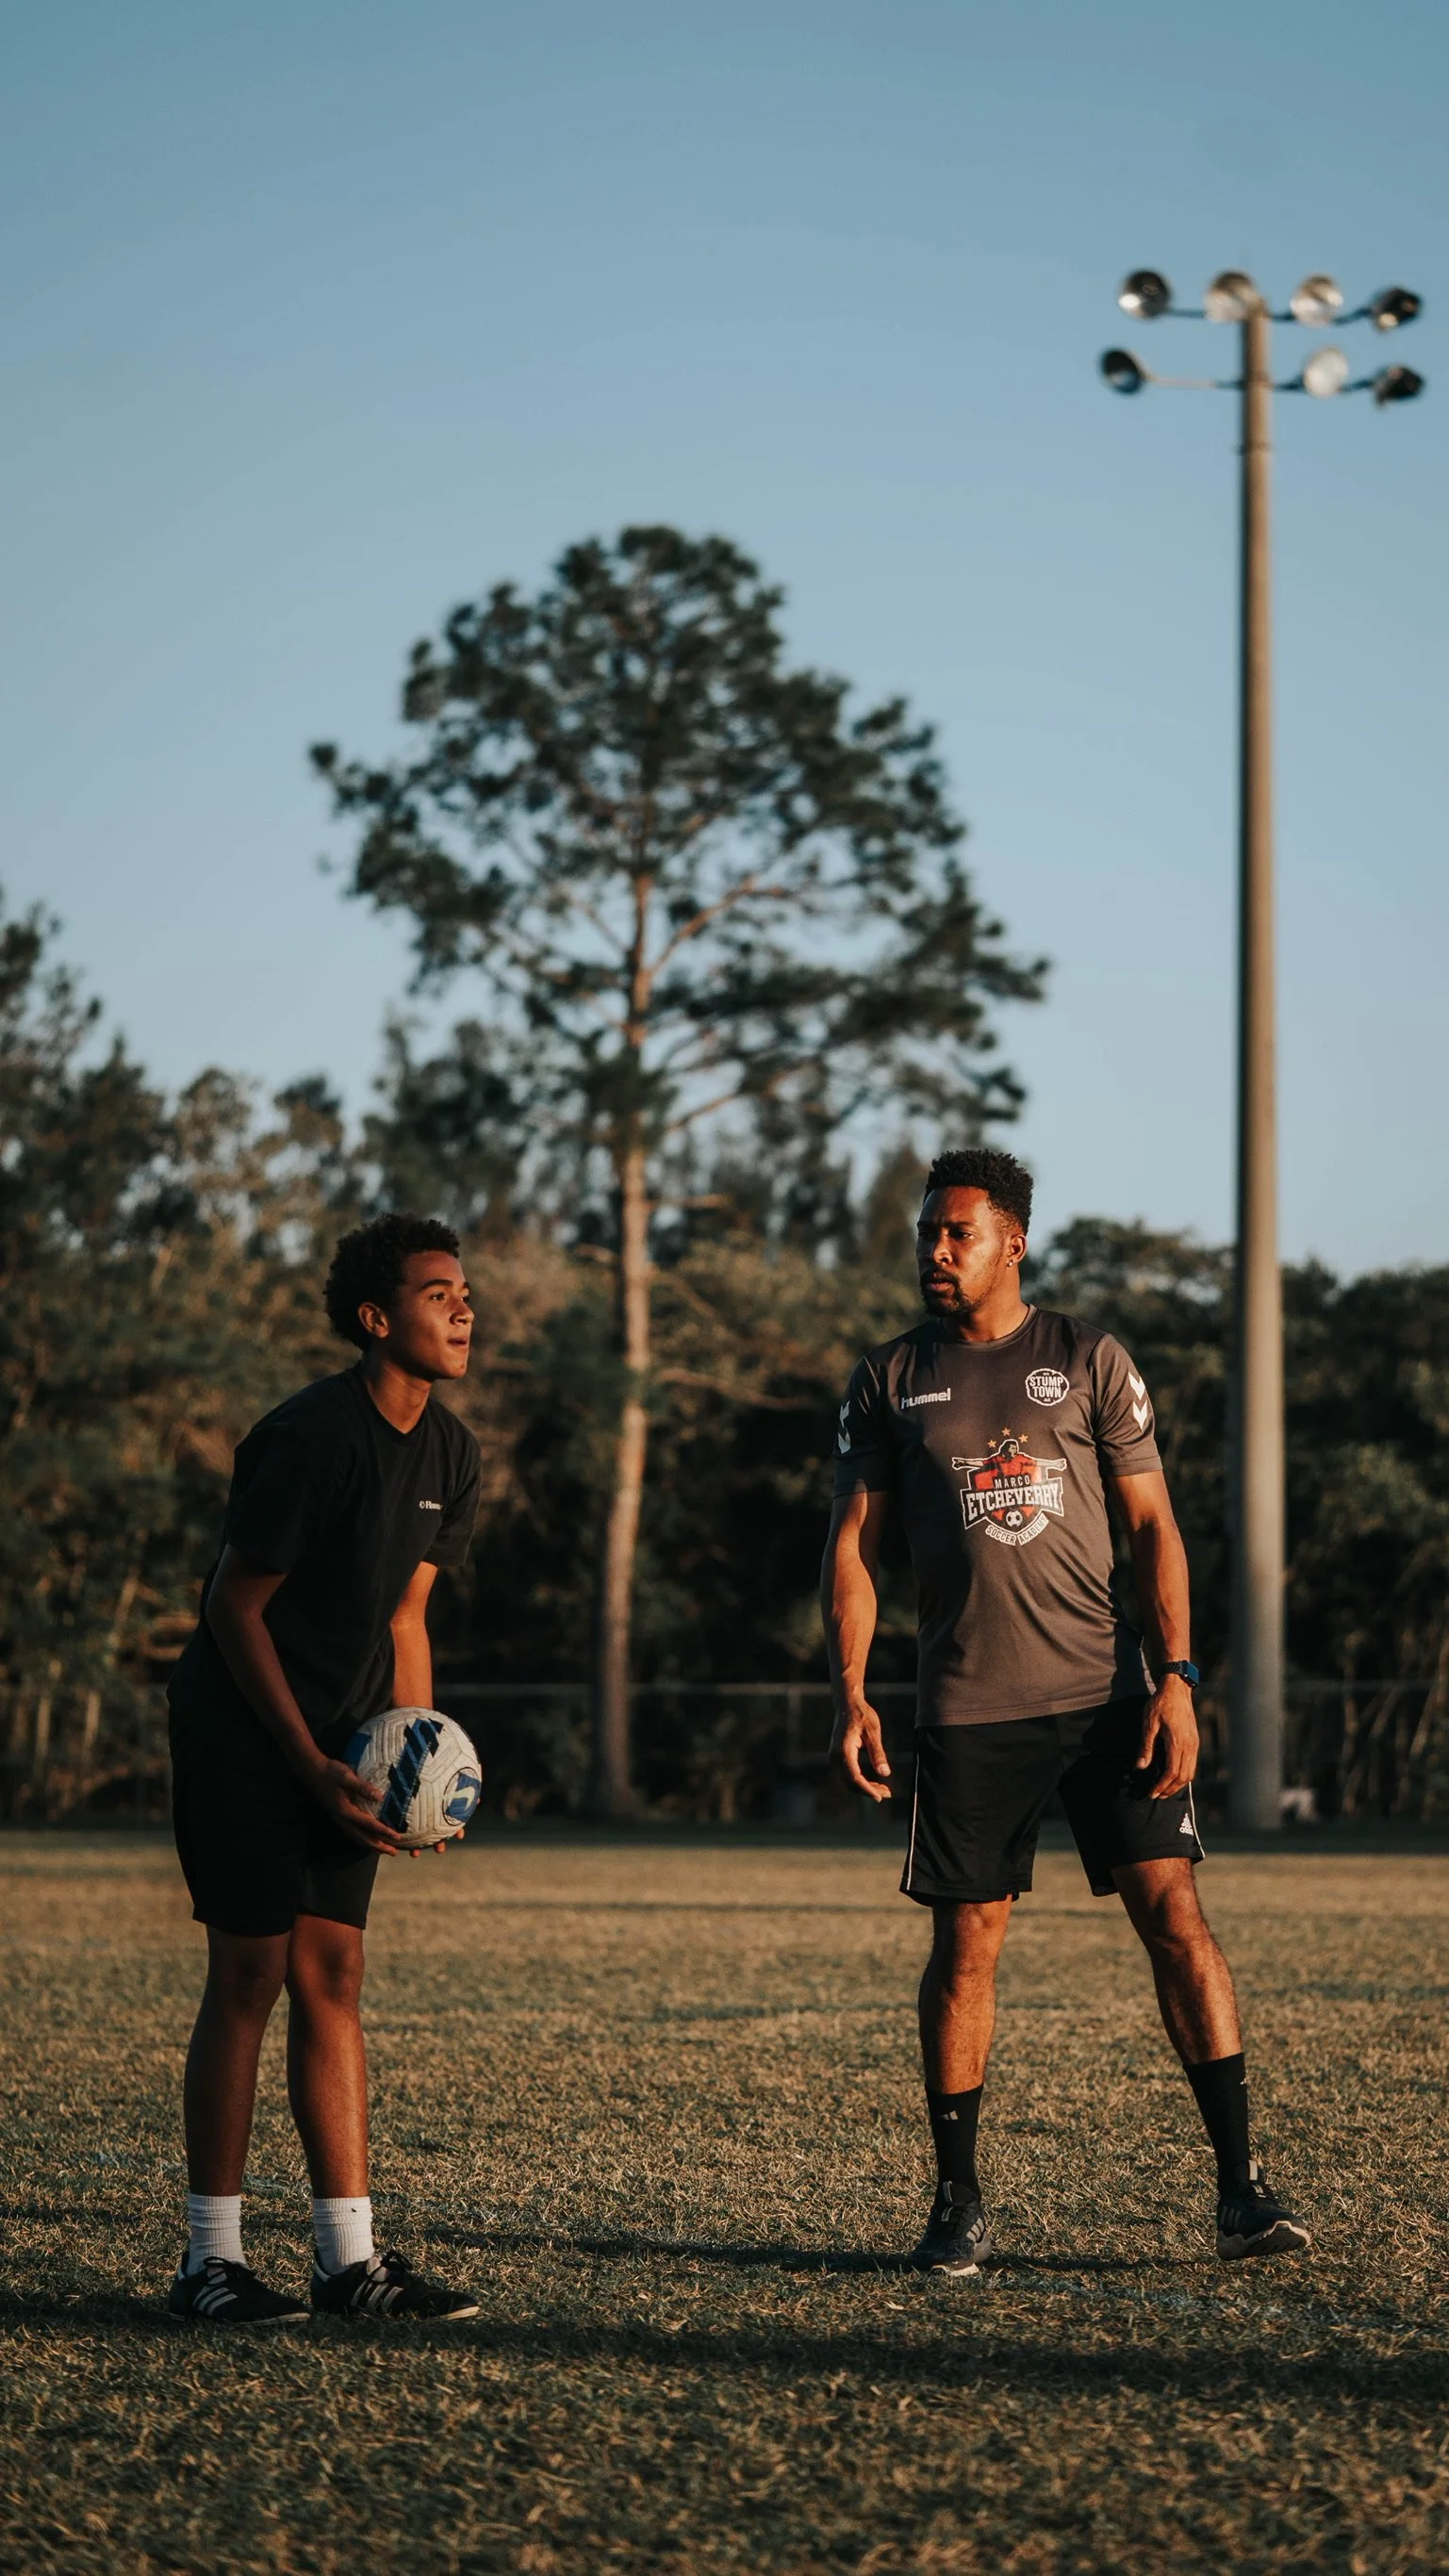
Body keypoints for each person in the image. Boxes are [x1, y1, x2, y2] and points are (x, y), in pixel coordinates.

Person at [821, 1148, 1309, 2277]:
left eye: (957, 1233)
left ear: (1012, 1241)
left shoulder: (1086, 1358)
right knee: (965, 1946)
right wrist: (850, 1691)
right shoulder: (888, 1377)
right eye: (927, 1233)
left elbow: (1153, 1530)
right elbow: (851, 1549)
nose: (935, 1252)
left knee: (1174, 1916)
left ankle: (1240, 2191)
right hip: (965, 1707)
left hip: (1108, 1696)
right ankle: (957, 2206)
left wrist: (1178, 1678)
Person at [165, 1213, 484, 2326]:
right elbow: (231, 1606)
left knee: (334, 1979)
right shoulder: (311, 1436)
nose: (462, 1309)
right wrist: (301, 1758)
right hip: (248, 1736)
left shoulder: (452, 1450)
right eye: (436, 1291)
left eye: (463, 1292)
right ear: (373, 1316)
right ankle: (210, 2260)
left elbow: (406, 1613)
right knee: (249, 1975)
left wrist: (420, 1755)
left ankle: (349, 2262)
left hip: (348, 1748)